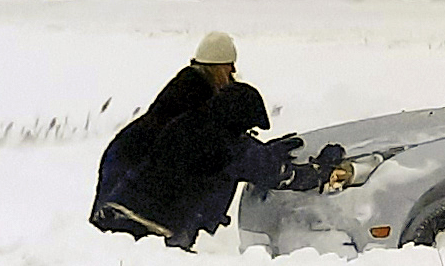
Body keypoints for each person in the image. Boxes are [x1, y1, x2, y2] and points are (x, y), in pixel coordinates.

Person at [91, 32, 308, 250]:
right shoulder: (196, 103)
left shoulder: (187, 98)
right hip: (138, 211)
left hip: (121, 197)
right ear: (217, 66)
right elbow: (231, 152)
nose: (233, 72)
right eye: (229, 66)